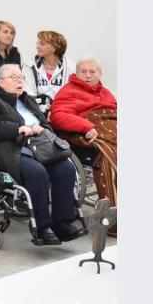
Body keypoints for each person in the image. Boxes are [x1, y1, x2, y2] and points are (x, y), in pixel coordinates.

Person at [0, 63, 87, 245]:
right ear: (1, 82)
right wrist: (16, 129)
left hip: (38, 146)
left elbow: (45, 124)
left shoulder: (27, 99)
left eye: (21, 77)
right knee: (37, 173)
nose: (20, 81)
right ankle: (43, 227)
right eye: (14, 77)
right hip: (8, 148)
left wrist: (43, 129)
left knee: (66, 169)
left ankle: (62, 223)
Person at [49, 56, 118, 218]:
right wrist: (86, 126)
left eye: (92, 72)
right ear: (77, 73)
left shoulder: (105, 92)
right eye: (83, 71)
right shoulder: (69, 90)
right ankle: (112, 214)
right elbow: (58, 116)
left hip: (110, 129)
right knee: (109, 154)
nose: (87, 75)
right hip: (83, 135)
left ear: (100, 74)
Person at [22, 30, 76, 110]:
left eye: (42, 44)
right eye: (38, 43)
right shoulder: (29, 66)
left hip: (63, 109)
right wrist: (44, 107)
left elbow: (72, 93)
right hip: (37, 110)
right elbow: (29, 93)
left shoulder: (70, 67)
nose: (37, 46)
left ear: (54, 48)